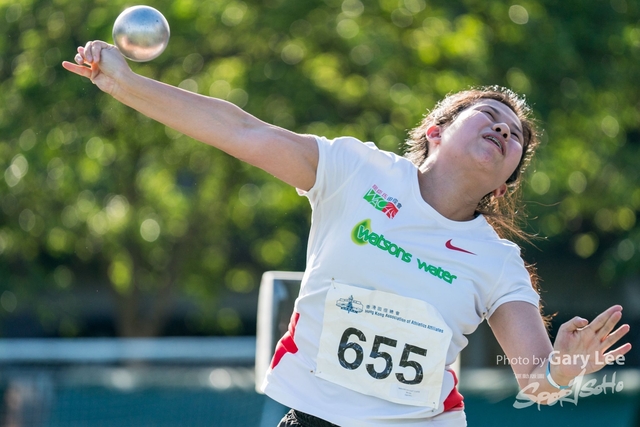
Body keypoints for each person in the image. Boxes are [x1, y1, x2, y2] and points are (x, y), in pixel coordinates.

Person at [63, 41, 631, 427]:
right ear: (435, 132)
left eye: (515, 138)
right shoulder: (356, 171)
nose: (504, 129)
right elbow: (238, 129)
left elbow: (536, 380)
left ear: (504, 185)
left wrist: (564, 368)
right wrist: (125, 83)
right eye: (488, 115)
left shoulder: (496, 261)